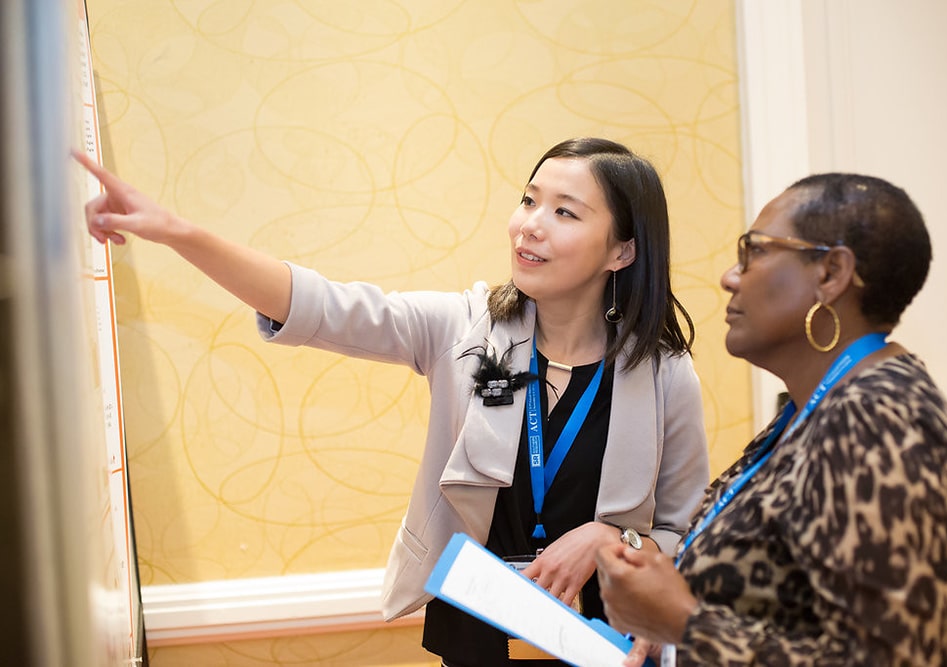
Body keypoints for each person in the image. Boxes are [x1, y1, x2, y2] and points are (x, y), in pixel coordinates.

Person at [74, 137, 711, 666]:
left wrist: (610, 536)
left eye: (566, 213)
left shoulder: (664, 374)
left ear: (622, 250)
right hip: (478, 624)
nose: (530, 225)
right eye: (528, 199)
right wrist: (177, 233)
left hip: (605, 637)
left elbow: (684, 530)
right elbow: (317, 304)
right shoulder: (463, 330)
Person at [595, 172, 947, 666]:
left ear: (831, 274)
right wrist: (671, 631)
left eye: (755, 252)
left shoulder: (877, 422)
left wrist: (685, 623)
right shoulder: (814, 412)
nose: (731, 276)